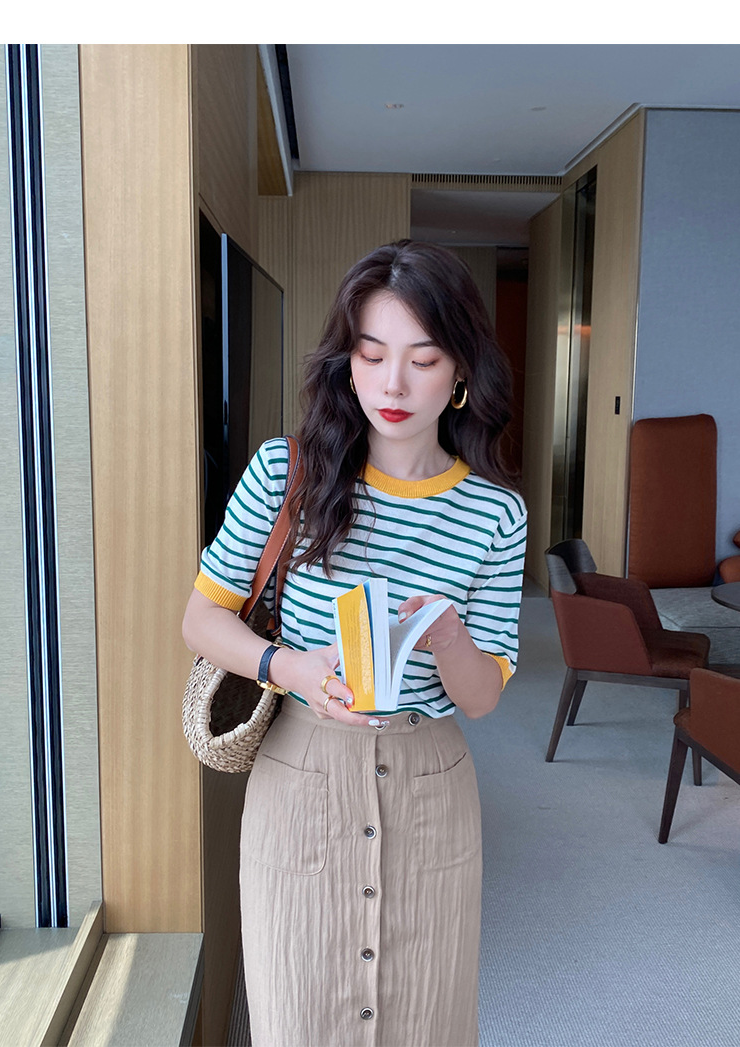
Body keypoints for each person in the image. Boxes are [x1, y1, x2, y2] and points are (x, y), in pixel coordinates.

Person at [182, 239, 527, 1047]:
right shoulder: (286, 474)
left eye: (422, 359)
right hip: (303, 773)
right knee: (298, 1008)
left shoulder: (495, 514)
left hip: (431, 778)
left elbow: (482, 697)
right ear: (348, 363)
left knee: (426, 1017)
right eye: (372, 355)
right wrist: (289, 667)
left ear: (461, 371)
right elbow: (201, 620)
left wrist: (449, 637)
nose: (393, 384)